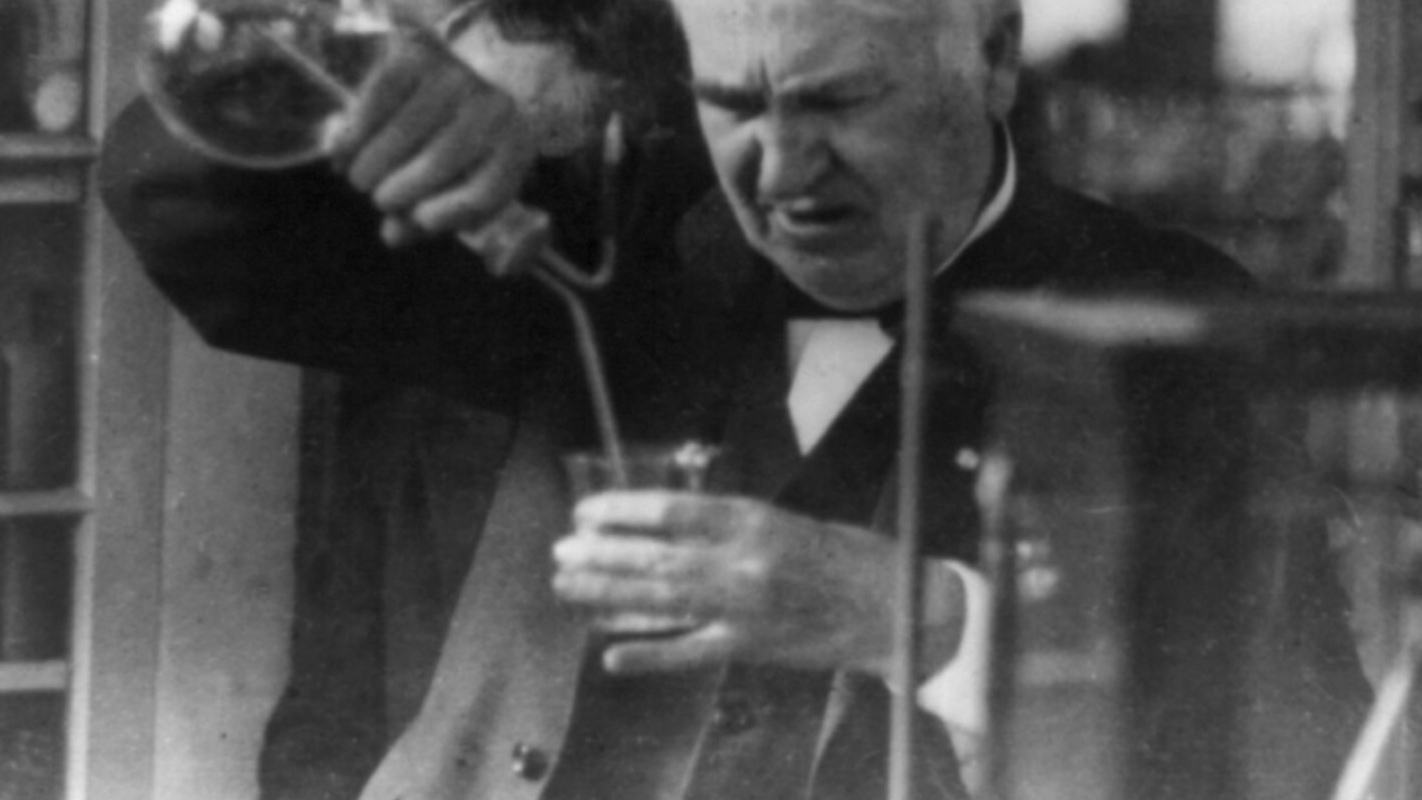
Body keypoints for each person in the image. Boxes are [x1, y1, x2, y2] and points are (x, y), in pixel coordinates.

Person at [99, 0, 1371, 799]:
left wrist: (920, 618)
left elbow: (1289, 745)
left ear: (990, 55)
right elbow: (192, 221)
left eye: (841, 101)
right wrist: (333, 60)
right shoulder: (596, 239)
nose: (783, 169)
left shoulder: (1163, 316)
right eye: (735, 105)